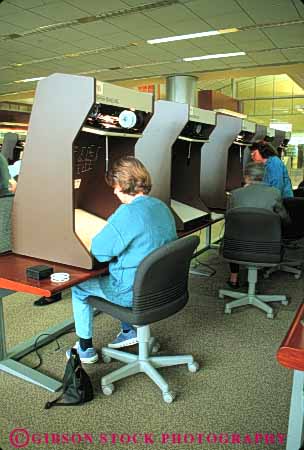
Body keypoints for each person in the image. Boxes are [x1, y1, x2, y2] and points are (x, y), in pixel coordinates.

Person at [67, 156, 177, 363]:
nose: (114, 191)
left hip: (133, 292)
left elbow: (99, 252)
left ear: (125, 184)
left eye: (116, 186)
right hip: (162, 287)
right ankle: (128, 331)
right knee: (120, 272)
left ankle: (85, 350)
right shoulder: (160, 206)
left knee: (80, 287)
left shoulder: (127, 212)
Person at [227, 162, 290, 288]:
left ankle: (233, 277)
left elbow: (228, 218)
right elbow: (284, 219)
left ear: (246, 177)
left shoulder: (235, 194)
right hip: (267, 249)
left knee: (234, 232)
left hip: (236, 248)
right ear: (263, 176)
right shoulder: (275, 193)